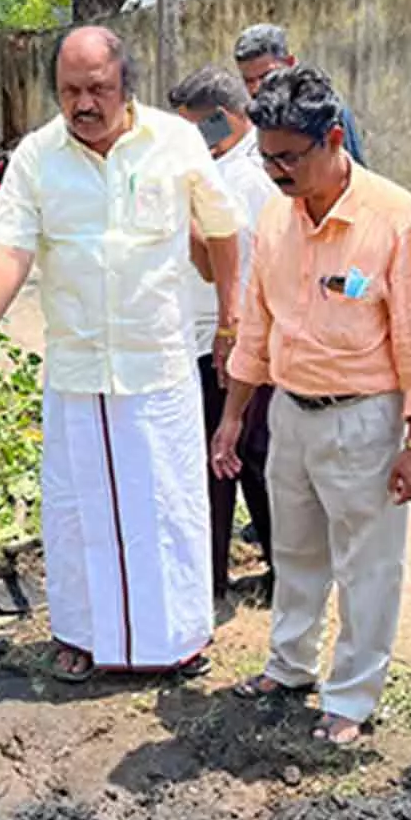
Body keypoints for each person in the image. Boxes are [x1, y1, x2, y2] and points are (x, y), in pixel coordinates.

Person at [0, 26, 244, 682]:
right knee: (80, 511)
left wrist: (231, 319)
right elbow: (12, 249)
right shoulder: (37, 157)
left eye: (97, 89)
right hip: (77, 367)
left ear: (124, 85)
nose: (83, 103)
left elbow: (221, 230)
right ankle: (80, 636)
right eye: (70, 90)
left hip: (156, 362)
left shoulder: (175, 142)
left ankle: (180, 641)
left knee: (167, 503)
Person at [215, 65, 411, 745]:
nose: (276, 172)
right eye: (266, 158)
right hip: (290, 412)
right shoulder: (274, 219)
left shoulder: (395, 220)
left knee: (366, 566)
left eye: (289, 157)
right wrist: (234, 417)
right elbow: (254, 327)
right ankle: (289, 665)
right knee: (293, 552)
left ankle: (351, 696)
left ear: (334, 138)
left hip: (365, 421)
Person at [169, 65, 282, 600]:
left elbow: (237, 265)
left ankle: (240, 576)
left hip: (233, 339)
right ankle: (216, 574)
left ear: (224, 119)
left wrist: (231, 330)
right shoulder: (220, 169)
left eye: (198, 128)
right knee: (230, 460)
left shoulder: (249, 177)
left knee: (234, 459)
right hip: (210, 336)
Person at [233, 25, 366, 166]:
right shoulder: (247, 116)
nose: (256, 88)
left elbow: (353, 172)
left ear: (290, 63)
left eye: (265, 76)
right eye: (248, 80)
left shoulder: (325, 110)